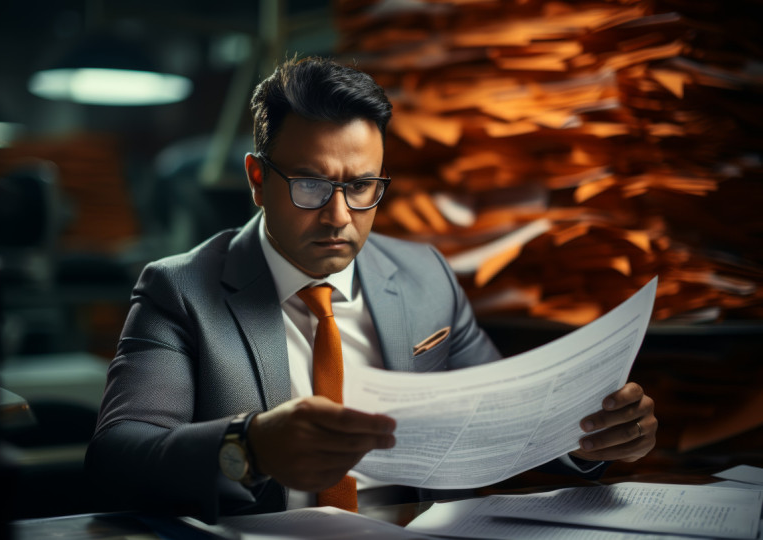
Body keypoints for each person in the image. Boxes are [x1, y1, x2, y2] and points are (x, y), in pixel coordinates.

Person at [85, 56, 657, 523]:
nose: (339, 216)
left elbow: (503, 414)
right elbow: (117, 459)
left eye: (361, 185)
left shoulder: (424, 276)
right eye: (310, 184)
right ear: (258, 180)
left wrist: (587, 439)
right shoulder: (180, 290)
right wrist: (249, 447)